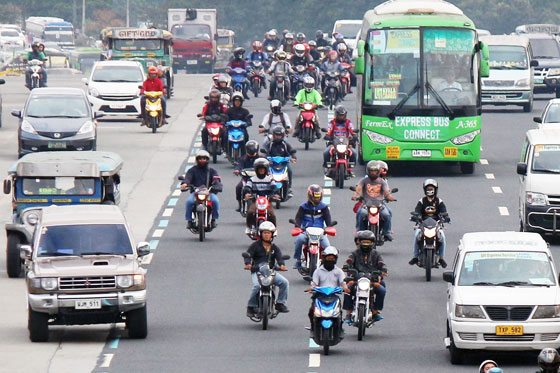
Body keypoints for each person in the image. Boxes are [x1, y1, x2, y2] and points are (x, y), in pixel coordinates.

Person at [244, 222, 289, 317]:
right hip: (257, 271)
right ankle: (251, 306)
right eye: (264, 233)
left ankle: (280, 303)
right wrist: (248, 264)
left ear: (272, 234)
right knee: (256, 286)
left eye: (268, 233)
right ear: (260, 234)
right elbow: (248, 255)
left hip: (271, 272)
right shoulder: (255, 245)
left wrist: (282, 265)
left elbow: (279, 258)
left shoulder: (274, 248)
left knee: (284, 282)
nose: (266, 235)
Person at [343, 230, 387, 323]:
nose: (366, 244)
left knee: (382, 290)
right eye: (364, 241)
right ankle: (348, 312)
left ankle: (375, 311)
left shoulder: (376, 254)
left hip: (372, 280)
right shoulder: (354, 253)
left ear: (372, 242)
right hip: (356, 279)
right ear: (359, 242)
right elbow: (349, 261)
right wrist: (347, 267)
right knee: (347, 289)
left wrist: (383, 270)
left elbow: (382, 264)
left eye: (368, 242)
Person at [408, 179, 449, 268]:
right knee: (416, 236)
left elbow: (444, 211)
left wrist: (446, 217)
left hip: (436, 224)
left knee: (442, 238)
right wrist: (416, 216)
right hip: (423, 224)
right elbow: (417, 211)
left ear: (435, 190)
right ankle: (415, 256)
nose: (430, 191)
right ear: (425, 190)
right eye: (428, 189)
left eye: (431, 189)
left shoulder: (439, 201)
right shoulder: (422, 201)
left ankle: (441, 258)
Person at [307, 246, 350, 330]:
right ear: (324, 258)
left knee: (338, 310)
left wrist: (345, 288)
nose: (330, 260)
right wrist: (311, 288)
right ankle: (313, 326)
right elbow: (314, 283)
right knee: (311, 311)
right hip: (319, 295)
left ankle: (339, 326)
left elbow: (343, 282)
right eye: (328, 258)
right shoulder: (318, 271)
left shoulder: (339, 271)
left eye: (332, 259)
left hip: (333, 295)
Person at [292, 185, 334, 269]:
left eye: (318, 197)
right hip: (306, 232)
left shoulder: (324, 207)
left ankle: (327, 264)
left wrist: (329, 226)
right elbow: (298, 218)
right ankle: (298, 260)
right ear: (310, 196)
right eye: (315, 197)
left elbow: (327, 218)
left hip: (320, 233)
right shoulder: (303, 207)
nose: (316, 199)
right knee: (299, 240)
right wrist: (297, 226)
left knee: (328, 248)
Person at [352, 161, 396, 239]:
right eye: (371, 171)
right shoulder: (364, 180)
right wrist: (356, 195)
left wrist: (390, 197)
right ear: (368, 171)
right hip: (366, 204)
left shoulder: (382, 182)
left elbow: (386, 191)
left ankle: (387, 232)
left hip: (380, 204)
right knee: (361, 213)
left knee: (387, 215)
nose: (373, 173)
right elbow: (358, 189)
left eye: (375, 171)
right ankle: (360, 231)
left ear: (378, 171)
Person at [180, 150, 222, 229]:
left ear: (207, 160)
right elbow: (188, 178)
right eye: (200, 158)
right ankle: (189, 220)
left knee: (215, 201)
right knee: (189, 202)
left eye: (204, 158)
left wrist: (217, 185)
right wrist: (185, 184)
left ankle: (214, 219)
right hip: (196, 193)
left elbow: (216, 179)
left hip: (208, 193)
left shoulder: (212, 171)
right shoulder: (192, 170)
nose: (202, 160)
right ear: (197, 160)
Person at [242, 158, 280, 234]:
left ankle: (274, 229)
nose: (261, 170)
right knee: (250, 212)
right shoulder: (252, 179)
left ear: (266, 170)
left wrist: (274, 193)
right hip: (255, 201)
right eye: (260, 169)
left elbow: (274, 187)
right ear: (256, 170)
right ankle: (249, 227)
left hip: (267, 201)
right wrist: (248, 192)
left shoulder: (270, 179)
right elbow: (247, 187)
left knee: (271, 214)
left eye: (263, 169)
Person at [261, 126, 296, 195]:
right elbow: (264, 150)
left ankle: (289, 186)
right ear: (273, 135)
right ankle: (264, 185)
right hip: (272, 163)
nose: (278, 137)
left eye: (279, 135)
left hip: (283, 163)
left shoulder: (285, 144)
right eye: (276, 135)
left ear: (282, 135)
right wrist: (264, 156)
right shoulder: (270, 144)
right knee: (265, 172)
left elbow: (291, 150)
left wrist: (293, 155)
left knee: (289, 170)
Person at [323, 105, 357, 174]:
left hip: (346, 143)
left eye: (342, 115)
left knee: (354, 153)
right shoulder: (332, 122)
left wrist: (354, 135)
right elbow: (329, 129)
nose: (341, 117)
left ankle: (350, 168)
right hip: (333, 143)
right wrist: (327, 135)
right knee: (326, 152)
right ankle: (327, 167)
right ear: (336, 115)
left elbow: (352, 129)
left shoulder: (348, 122)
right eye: (339, 115)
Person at [234, 140, 260, 212]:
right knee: (238, 187)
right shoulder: (243, 158)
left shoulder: (260, 159)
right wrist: (237, 170)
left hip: (258, 179)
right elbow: (239, 165)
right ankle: (240, 204)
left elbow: (265, 166)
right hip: (246, 179)